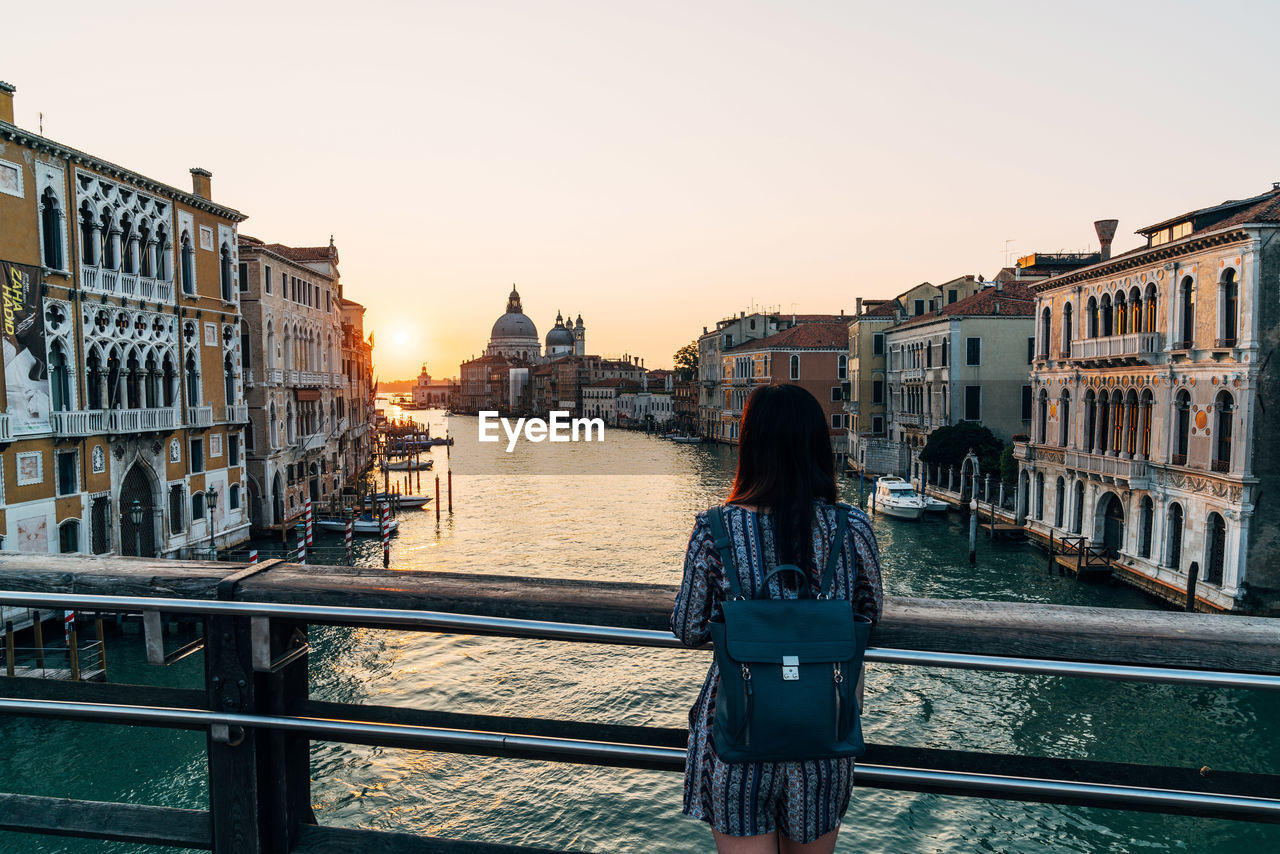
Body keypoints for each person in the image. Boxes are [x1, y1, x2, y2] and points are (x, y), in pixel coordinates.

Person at [671, 383, 884, 854]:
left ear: (750, 447)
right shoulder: (854, 528)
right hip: (821, 735)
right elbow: (870, 617)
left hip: (738, 736)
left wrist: (751, 622)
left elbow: (688, 627)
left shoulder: (714, 528)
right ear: (817, 447)